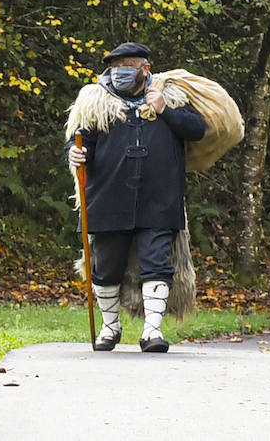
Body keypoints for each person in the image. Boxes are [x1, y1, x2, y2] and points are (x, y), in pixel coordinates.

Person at [66, 41, 207, 353]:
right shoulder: (94, 101)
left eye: (128, 66)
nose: (120, 73)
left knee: (157, 264)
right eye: (116, 67)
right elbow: (78, 141)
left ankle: (152, 333)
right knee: (106, 267)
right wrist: (75, 153)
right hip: (107, 197)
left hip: (159, 197)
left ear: (145, 69)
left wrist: (164, 110)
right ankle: (110, 328)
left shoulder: (171, 96)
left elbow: (198, 129)